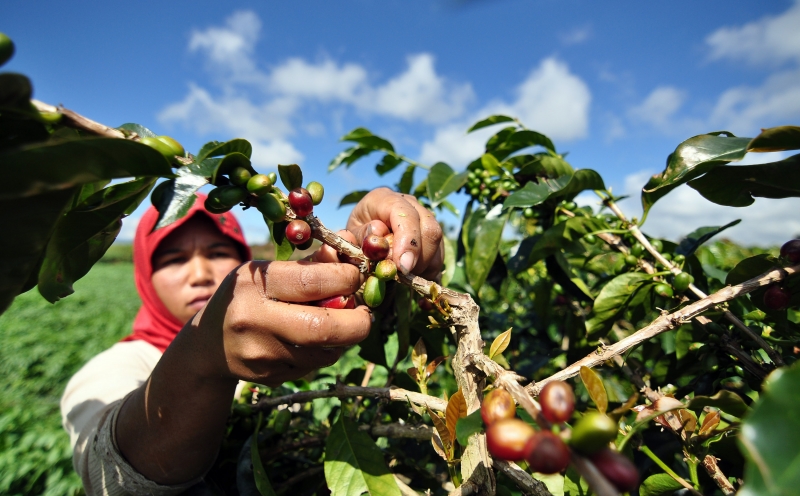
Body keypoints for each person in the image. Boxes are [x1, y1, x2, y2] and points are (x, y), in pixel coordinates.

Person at [60, 188, 443, 495]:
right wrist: (202, 361)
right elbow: (109, 473)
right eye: (174, 259)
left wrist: (374, 262)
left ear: (245, 261)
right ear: (144, 273)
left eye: (217, 252)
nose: (199, 273)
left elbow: (360, 312)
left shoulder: (277, 330)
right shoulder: (115, 369)